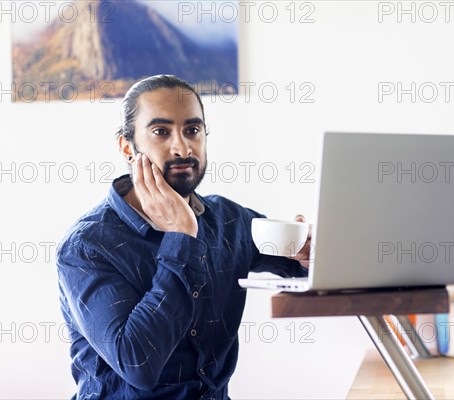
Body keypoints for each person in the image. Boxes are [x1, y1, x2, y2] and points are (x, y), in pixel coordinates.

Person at [56, 75, 311, 399]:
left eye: (192, 130)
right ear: (127, 147)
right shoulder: (87, 247)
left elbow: (306, 267)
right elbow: (139, 365)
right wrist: (182, 237)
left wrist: (311, 252)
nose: (182, 147)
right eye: (161, 132)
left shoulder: (231, 221)